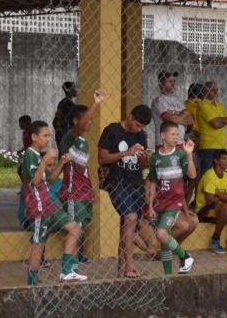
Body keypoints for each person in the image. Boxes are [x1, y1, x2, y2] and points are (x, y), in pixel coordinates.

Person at [21, 121, 87, 283]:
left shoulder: (38, 156)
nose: (48, 139)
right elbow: (35, 181)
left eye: (49, 135)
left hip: (48, 206)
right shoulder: (30, 155)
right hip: (37, 208)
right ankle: (32, 281)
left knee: (74, 228)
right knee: (38, 243)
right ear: (34, 137)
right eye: (45, 136)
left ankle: (67, 270)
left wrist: (61, 163)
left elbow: (49, 178)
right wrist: (45, 160)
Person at [99, 104, 160, 279]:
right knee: (131, 217)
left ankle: (122, 271)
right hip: (116, 182)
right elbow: (101, 158)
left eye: (142, 127)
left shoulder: (141, 135)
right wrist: (126, 152)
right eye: (138, 125)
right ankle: (131, 267)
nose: (139, 130)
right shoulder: (112, 130)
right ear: (130, 117)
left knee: (131, 223)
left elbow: (143, 165)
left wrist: (143, 157)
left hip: (135, 182)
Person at [58, 89, 107, 264]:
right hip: (72, 193)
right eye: (86, 118)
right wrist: (95, 104)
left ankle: (77, 258)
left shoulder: (84, 142)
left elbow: (84, 170)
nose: (89, 122)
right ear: (75, 121)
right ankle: (70, 263)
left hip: (84, 192)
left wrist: (91, 190)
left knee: (83, 224)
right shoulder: (69, 139)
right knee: (75, 227)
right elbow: (79, 126)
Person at [145, 121, 198, 275]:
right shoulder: (155, 157)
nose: (176, 137)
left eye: (177, 134)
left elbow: (192, 175)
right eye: (173, 134)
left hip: (174, 203)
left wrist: (189, 154)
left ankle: (186, 257)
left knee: (161, 234)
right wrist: (150, 206)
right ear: (163, 136)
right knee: (164, 241)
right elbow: (153, 183)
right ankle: (168, 276)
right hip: (159, 203)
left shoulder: (180, 154)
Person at [194, 81, 227, 175]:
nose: (215, 92)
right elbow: (216, 125)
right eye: (212, 90)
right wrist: (224, 120)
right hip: (209, 146)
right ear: (205, 92)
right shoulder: (203, 105)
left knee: (220, 174)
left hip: (221, 145)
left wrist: (219, 119)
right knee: (208, 174)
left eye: (216, 90)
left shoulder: (219, 105)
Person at [152, 71, 195, 142]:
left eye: (174, 81)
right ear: (161, 83)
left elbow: (191, 120)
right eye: (170, 81)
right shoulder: (158, 101)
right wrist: (182, 115)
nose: (173, 84)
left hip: (180, 142)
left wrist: (175, 117)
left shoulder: (178, 101)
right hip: (164, 143)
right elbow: (172, 119)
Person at [53, 81, 78, 149]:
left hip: (59, 132)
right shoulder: (69, 104)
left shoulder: (62, 102)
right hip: (65, 132)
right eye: (74, 89)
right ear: (71, 90)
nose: (76, 90)